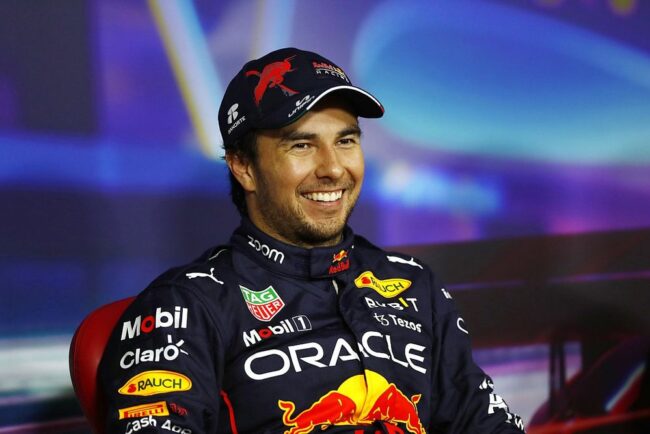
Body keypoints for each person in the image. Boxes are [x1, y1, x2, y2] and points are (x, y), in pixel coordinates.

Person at [98, 47, 525, 434]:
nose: (333, 169)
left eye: (346, 141)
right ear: (244, 167)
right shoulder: (185, 305)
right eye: (302, 145)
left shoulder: (415, 284)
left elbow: (485, 422)